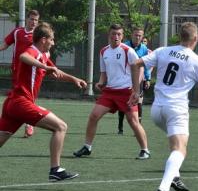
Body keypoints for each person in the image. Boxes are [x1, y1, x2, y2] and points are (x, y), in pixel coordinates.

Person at [130, 22, 198, 191]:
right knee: (180, 148)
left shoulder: (164, 51)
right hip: (176, 110)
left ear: (180, 37)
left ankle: (175, 176)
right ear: (196, 39)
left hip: (156, 111)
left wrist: (134, 91)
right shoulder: (197, 61)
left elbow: (136, 63)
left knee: (175, 143)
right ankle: (164, 188)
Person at [0, 22, 87, 181]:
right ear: (43, 39)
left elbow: (55, 71)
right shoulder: (33, 50)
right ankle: (56, 170)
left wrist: (74, 79)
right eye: (52, 40)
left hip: (12, 103)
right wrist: (44, 67)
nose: (53, 43)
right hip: (21, 103)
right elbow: (23, 56)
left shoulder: (44, 55)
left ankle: (56, 170)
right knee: (61, 127)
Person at [73, 24, 150, 159]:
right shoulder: (104, 52)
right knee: (93, 116)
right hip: (110, 92)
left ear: (122, 36)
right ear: (109, 35)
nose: (116, 37)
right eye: (114, 34)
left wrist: (136, 92)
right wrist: (101, 83)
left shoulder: (128, 51)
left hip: (126, 92)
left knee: (133, 121)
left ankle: (145, 150)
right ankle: (87, 147)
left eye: (119, 34)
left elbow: (138, 70)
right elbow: (104, 73)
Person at [0, 10, 40, 138]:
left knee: (28, 96)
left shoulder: (37, 36)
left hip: (30, 72)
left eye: (36, 20)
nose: (33, 22)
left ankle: (29, 123)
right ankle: (9, 120)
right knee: (17, 96)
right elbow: (5, 45)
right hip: (17, 70)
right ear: (27, 19)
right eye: (32, 19)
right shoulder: (18, 32)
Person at [117, 27, 151, 134]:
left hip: (139, 79)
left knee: (139, 102)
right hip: (126, 79)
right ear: (132, 35)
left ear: (142, 37)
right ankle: (120, 126)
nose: (137, 37)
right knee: (123, 102)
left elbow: (146, 65)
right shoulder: (124, 46)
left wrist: (147, 78)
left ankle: (138, 127)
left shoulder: (144, 49)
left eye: (140, 36)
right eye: (136, 35)